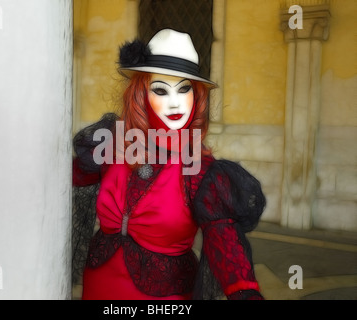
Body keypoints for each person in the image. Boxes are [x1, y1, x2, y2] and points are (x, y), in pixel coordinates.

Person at [72, 29, 266, 300]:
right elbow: (62, 187)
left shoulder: (200, 171)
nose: (175, 102)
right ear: (140, 95)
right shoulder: (110, 144)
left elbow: (224, 237)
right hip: (99, 289)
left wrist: (244, 292)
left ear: (196, 96)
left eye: (184, 89)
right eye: (160, 90)